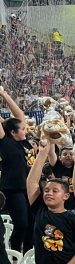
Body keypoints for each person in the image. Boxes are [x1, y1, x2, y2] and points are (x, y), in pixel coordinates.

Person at [0, 88, 34, 253]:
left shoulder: (22, 143)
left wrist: (4, 94)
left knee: (31, 223)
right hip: (12, 189)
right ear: (13, 132)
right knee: (21, 224)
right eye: (22, 129)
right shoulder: (5, 142)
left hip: (27, 189)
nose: (25, 130)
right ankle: (14, 255)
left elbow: (20, 116)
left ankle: (26, 255)